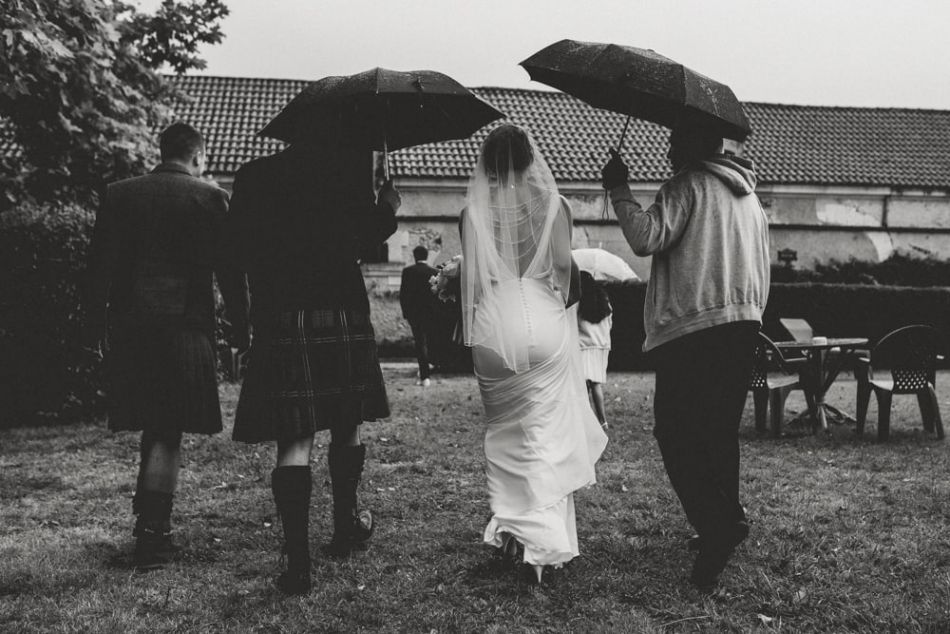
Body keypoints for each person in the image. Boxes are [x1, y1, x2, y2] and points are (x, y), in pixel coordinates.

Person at [224, 136, 399, 595]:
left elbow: (235, 253)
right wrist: (387, 204)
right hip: (341, 310)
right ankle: (345, 527)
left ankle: (298, 564)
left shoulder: (253, 177)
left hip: (282, 315)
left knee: (295, 436)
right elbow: (368, 234)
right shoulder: (345, 174)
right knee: (346, 420)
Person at [601, 118, 770, 591]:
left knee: (675, 434)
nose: (668, 149)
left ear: (691, 144)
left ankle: (718, 526)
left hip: (693, 329)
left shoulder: (687, 185)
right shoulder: (750, 198)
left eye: (674, 140)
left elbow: (645, 237)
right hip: (743, 325)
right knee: (719, 433)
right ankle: (729, 515)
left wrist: (619, 188)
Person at [82, 122, 250, 570]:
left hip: (132, 330)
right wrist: (243, 330)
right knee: (166, 432)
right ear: (198, 156)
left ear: (162, 151)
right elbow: (231, 273)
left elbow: (97, 270)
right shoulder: (211, 198)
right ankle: (153, 538)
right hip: (184, 329)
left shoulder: (120, 194)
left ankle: (149, 524)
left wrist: (93, 330)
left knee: (153, 427)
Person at [461, 123, 608, 584]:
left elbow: (474, 284)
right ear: (530, 160)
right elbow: (564, 268)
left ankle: (513, 533)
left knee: (506, 435)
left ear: (487, 164)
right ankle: (540, 546)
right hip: (543, 322)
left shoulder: (471, 213)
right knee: (546, 434)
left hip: (492, 331)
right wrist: (557, 300)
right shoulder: (555, 205)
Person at [577, 270, 613, 429]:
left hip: (583, 347)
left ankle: (586, 419)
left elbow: (574, 324)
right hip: (601, 347)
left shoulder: (579, 303)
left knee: (583, 384)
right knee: (596, 384)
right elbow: (609, 324)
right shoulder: (605, 302)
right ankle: (603, 421)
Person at [400, 245, 439, 386]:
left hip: (414, 313)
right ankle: (428, 369)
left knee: (420, 342)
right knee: (430, 341)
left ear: (414, 256)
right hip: (430, 313)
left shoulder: (408, 271)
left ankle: (424, 376)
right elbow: (437, 295)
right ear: (427, 256)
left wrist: (406, 313)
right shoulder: (433, 272)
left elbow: (403, 294)